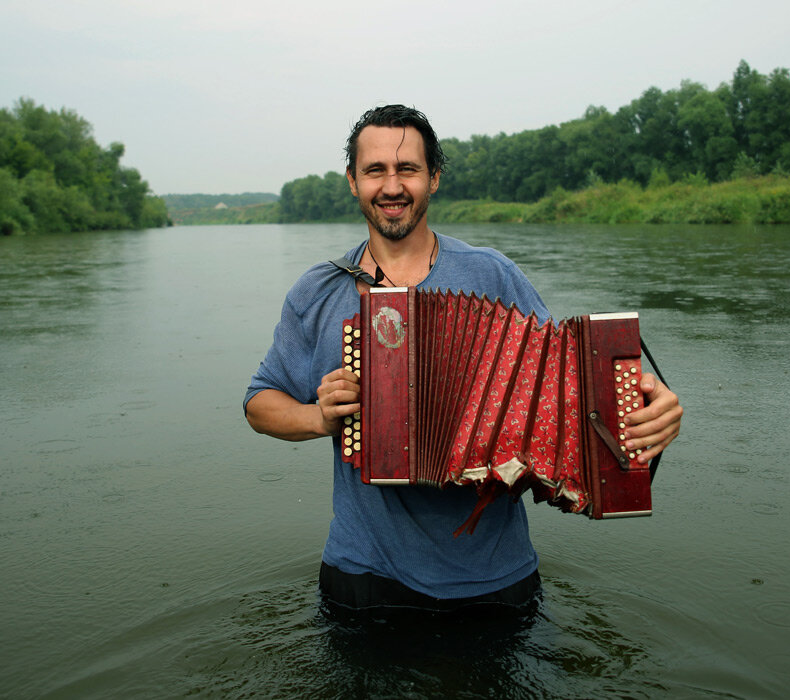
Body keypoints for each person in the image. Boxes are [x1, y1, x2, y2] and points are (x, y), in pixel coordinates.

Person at [244, 105, 682, 615]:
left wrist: (647, 412)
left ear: (433, 178)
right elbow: (259, 402)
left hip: (495, 578)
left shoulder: (493, 276)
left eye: (407, 169)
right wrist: (317, 417)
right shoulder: (319, 291)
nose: (391, 186)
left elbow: (563, 387)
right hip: (363, 574)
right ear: (352, 180)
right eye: (375, 170)